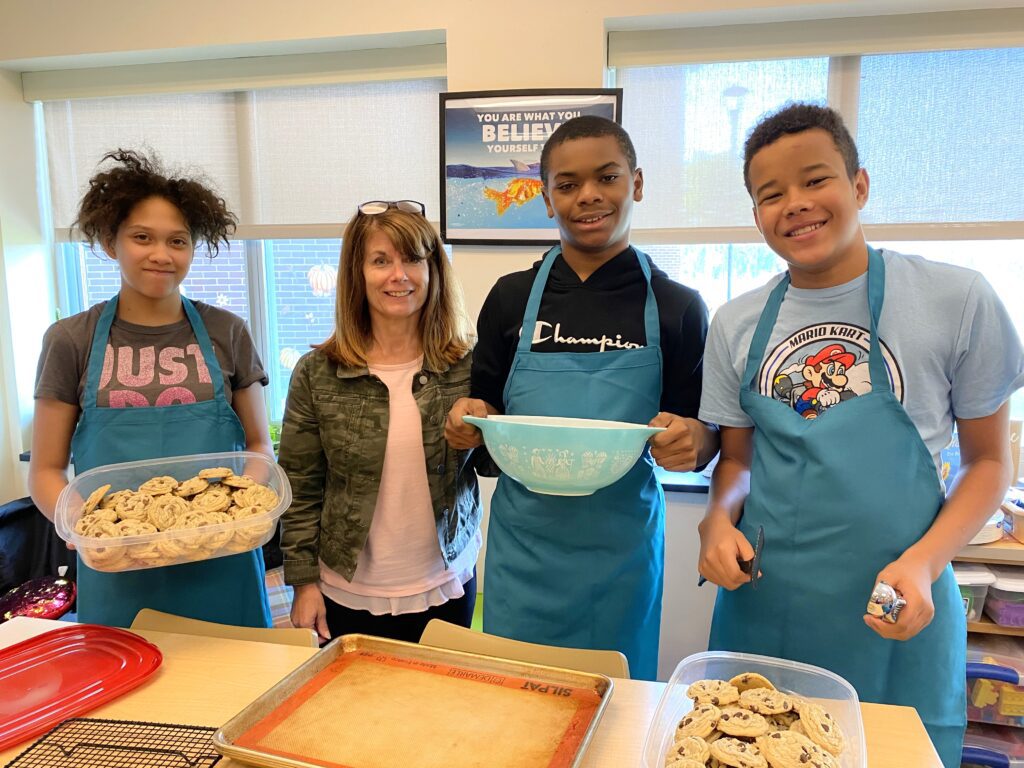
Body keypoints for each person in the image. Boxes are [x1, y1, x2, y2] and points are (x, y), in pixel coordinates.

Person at [697, 102, 1024, 767]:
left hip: (900, 603)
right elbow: (737, 461)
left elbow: (989, 463)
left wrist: (927, 563)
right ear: (755, 213)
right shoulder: (735, 322)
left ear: (860, 185)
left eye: (816, 180)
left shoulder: (955, 299)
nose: (795, 204)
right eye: (770, 194)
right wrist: (716, 521)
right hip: (767, 607)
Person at [446, 116, 719, 680]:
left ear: (636, 184)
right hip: (525, 545)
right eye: (567, 185)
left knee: (614, 700)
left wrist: (698, 441)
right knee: (514, 697)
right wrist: (469, 423)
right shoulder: (510, 298)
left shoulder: (678, 307)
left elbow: (703, 431)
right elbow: (484, 410)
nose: (588, 195)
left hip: (621, 547)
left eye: (608, 177)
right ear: (546, 199)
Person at [29, 149, 274, 628]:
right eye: (142, 237)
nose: (161, 254)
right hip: (119, 571)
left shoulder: (227, 331)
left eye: (177, 241)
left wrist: (235, 515)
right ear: (109, 242)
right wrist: (86, 525)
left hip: (220, 559)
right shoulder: (71, 340)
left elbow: (259, 446)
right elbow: (47, 469)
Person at [278, 200, 484, 644]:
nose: (399, 275)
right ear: (357, 273)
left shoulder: (468, 366)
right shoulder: (317, 373)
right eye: (380, 260)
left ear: (433, 271)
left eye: (413, 258)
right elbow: (299, 483)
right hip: (346, 592)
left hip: (446, 583)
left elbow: (493, 464)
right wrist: (302, 582)